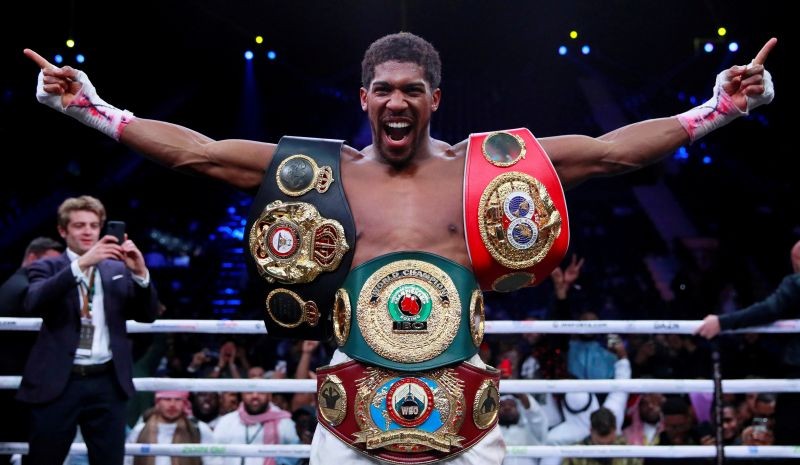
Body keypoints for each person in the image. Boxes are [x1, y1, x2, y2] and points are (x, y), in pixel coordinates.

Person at [24, 32, 776, 464]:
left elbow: (613, 152)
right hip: (348, 414)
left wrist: (721, 106)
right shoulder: (322, 172)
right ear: (363, 97)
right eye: (383, 88)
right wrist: (93, 109)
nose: (396, 101)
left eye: (412, 89)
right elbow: (200, 152)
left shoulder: (487, 169)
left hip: (467, 411)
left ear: (434, 98)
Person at [16, 195, 160, 465]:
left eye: (94, 226)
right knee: (44, 460)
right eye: (79, 225)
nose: (88, 231)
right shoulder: (46, 267)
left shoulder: (117, 269)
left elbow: (147, 315)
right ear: (63, 230)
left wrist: (141, 274)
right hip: (59, 382)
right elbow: (34, 301)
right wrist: (82, 264)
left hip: (106, 382)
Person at [695, 239, 800, 444]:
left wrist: (721, 322)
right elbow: (761, 419)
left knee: (787, 436)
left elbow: (769, 309)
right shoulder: (758, 407)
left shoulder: (796, 283)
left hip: (792, 379)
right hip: (778, 392)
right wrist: (752, 436)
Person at [0, 237, 63, 465]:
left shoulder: (15, 284)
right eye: (51, 264)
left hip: (17, 387)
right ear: (33, 258)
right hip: (14, 391)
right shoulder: (21, 288)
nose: (56, 271)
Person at [210, 369, 299, 465]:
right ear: (242, 395)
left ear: (269, 395)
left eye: (261, 392)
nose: (255, 396)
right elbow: (214, 455)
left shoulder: (284, 422)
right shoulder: (227, 421)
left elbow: (295, 455)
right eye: (249, 392)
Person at [125, 390, 215, 465]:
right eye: (167, 399)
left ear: (184, 403)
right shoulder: (140, 430)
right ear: (158, 402)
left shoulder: (199, 429)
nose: (172, 404)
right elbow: (126, 462)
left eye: (178, 399)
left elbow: (213, 462)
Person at [561, 407, 642, 465]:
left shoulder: (630, 453)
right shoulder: (574, 455)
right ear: (591, 431)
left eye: (609, 443)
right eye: (600, 444)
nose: (605, 449)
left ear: (615, 430)